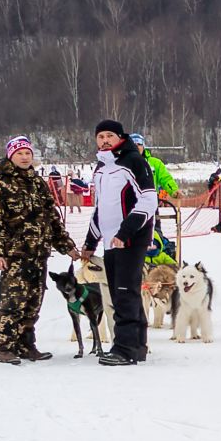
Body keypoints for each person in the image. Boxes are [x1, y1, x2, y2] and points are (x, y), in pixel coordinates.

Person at [0, 136, 79, 364]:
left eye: (28, 153)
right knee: (12, 302)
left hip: (38, 254)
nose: (24, 157)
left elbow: (52, 219)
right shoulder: (0, 185)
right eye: (19, 153)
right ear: (10, 156)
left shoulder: (38, 184)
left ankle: (25, 344)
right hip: (14, 255)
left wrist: (67, 246)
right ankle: (3, 346)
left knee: (33, 302)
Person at [84, 119, 158, 367]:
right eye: (100, 136)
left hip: (130, 239)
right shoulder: (101, 168)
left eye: (109, 136)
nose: (104, 140)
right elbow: (100, 208)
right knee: (120, 293)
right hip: (109, 241)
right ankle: (138, 345)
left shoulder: (133, 161)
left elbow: (148, 201)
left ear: (119, 138)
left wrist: (125, 233)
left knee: (125, 294)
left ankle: (124, 348)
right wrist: (90, 242)